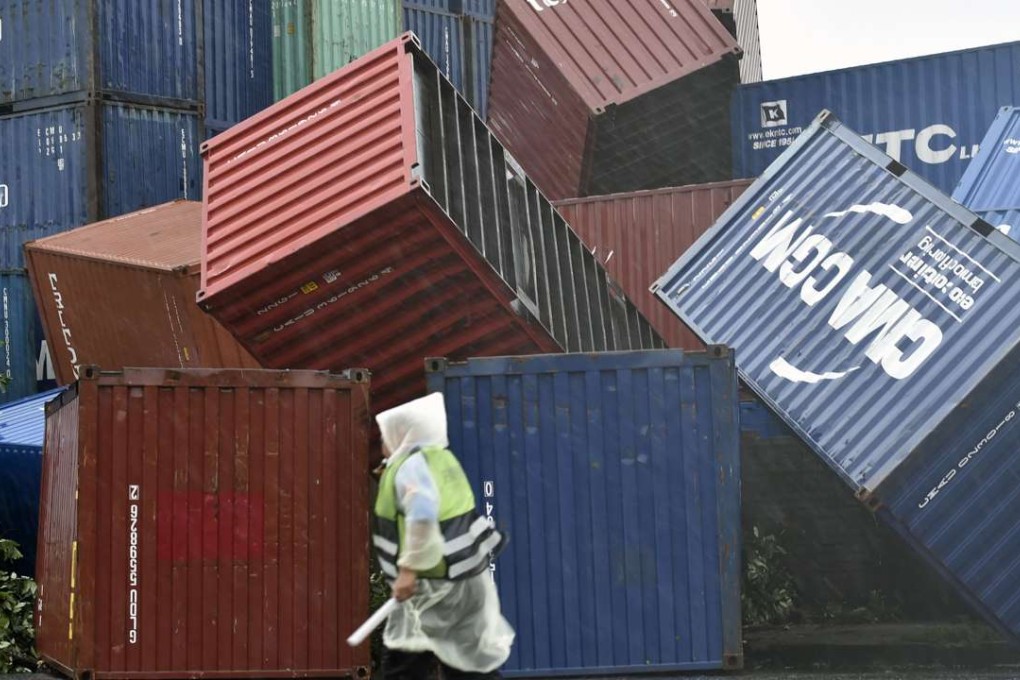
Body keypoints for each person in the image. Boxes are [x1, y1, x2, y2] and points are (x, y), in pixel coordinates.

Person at [372, 392, 514, 680]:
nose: (382, 444)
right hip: (458, 581)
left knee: (406, 665)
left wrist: (408, 572)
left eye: (385, 436)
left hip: (434, 585)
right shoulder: (440, 459)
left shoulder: (411, 466)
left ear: (403, 433)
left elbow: (422, 514)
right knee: (465, 664)